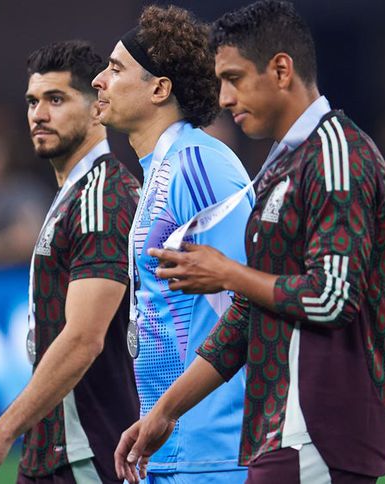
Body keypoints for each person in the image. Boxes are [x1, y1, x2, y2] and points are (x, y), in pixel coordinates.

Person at [113, 1, 385, 483]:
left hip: (322, 430)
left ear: (281, 70)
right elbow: (248, 312)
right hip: (278, 431)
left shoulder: (336, 156)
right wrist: (164, 412)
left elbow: (331, 298)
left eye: (234, 79)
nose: (223, 98)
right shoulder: (279, 167)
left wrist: (229, 273)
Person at [0, 40, 140, 484]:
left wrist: (0, 434)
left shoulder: (100, 199)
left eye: (56, 99)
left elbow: (84, 339)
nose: (38, 114)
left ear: (97, 108)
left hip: (86, 454)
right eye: (32, 101)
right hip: (57, 450)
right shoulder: (77, 193)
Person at [91, 5, 252, 484]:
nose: (99, 80)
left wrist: (173, 415)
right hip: (168, 447)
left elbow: (248, 300)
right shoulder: (163, 170)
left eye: (116, 68)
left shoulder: (201, 165)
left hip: (213, 452)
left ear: (159, 89)